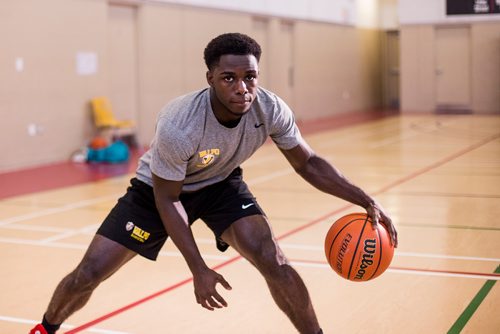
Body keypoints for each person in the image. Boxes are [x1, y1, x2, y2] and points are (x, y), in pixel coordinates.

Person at [30, 32, 398, 334]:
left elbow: (310, 163)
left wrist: (365, 200)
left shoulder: (270, 108)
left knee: (274, 259)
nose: (243, 88)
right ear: (210, 79)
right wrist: (199, 269)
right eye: (229, 78)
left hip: (221, 184)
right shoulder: (180, 123)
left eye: (250, 77)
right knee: (88, 274)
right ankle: (46, 328)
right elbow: (168, 199)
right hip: (157, 193)